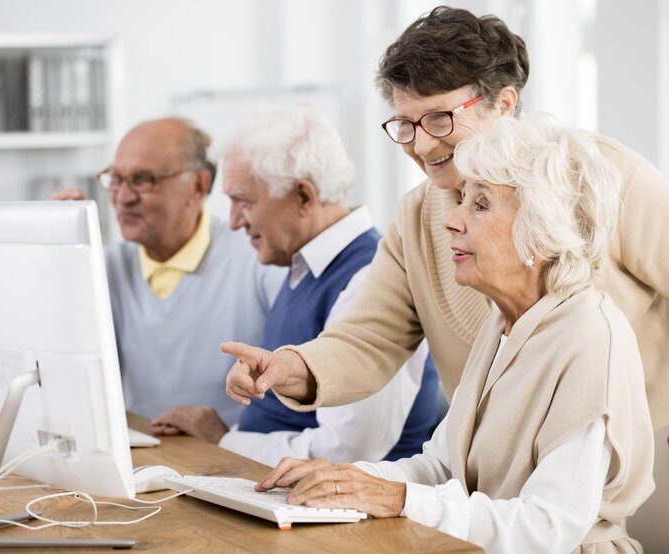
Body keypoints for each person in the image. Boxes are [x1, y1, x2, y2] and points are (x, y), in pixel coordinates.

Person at [223, 6, 669, 431]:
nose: (421, 147)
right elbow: (367, 340)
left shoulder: (603, 175)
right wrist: (286, 367)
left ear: (505, 104)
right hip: (503, 478)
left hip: (636, 455)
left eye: (439, 119)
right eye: (405, 125)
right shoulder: (416, 218)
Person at [252, 115, 655, 553]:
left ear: (545, 233)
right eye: (462, 199)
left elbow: (548, 526)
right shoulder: (502, 323)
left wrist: (399, 499)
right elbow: (442, 467)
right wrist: (345, 480)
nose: (451, 220)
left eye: (480, 205)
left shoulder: (590, 336)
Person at [152, 107, 441, 465]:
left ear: (304, 197)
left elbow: (343, 453)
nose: (233, 221)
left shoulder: (369, 277)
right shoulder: (303, 268)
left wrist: (222, 439)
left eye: (243, 200)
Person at [53, 118, 283, 425]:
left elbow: (296, 386)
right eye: (116, 179)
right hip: (141, 455)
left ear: (198, 186)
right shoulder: (103, 265)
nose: (122, 198)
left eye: (143, 179)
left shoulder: (257, 256)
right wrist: (54, 259)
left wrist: (229, 437)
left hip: (230, 457)